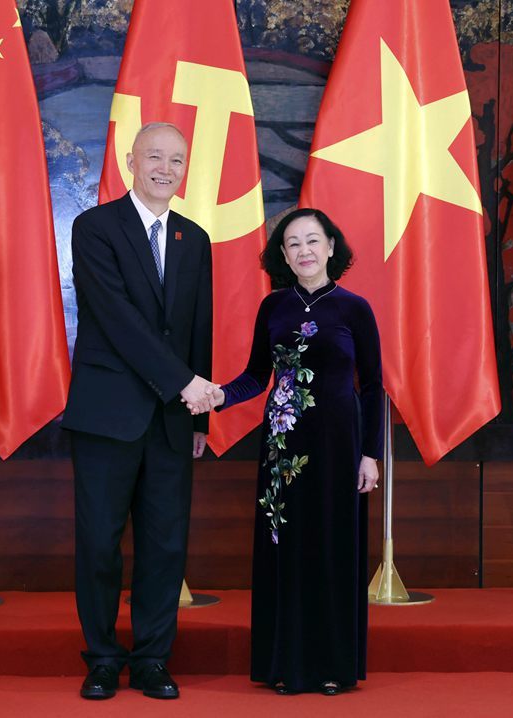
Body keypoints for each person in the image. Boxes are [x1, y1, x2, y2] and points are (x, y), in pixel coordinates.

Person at [61, 122, 215, 701]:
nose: (165, 169)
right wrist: (185, 384)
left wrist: (198, 417)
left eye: (176, 160)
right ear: (131, 160)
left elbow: (197, 329)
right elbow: (117, 318)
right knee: (100, 543)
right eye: (154, 156)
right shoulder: (94, 227)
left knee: (165, 546)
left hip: (173, 421)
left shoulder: (194, 239)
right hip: (107, 416)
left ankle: (152, 659)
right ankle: (103, 658)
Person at [206, 207, 382, 694]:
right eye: (293, 243)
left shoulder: (354, 308)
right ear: (283, 255)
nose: (304, 250)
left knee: (331, 547)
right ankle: (286, 664)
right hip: (282, 449)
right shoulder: (273, 307)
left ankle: (332, 667)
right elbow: (255, 377)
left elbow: (372, 386)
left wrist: (370, 454)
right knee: (285, 550)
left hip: (340, 447)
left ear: (331, 247)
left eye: (312, 240)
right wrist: (218, 395)